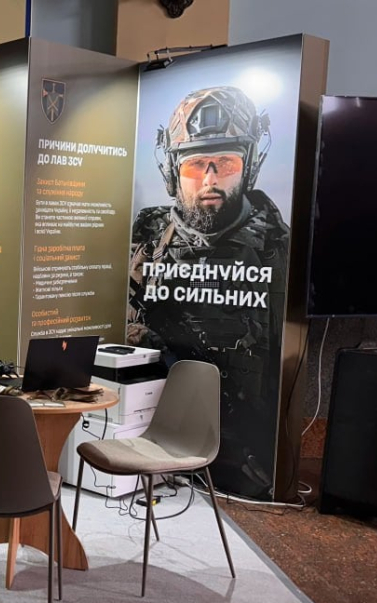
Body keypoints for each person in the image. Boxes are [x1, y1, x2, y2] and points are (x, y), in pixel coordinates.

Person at [126, 86, 288, 499]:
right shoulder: (145, 239)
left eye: (226, 163)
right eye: (196, 164)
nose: (211, 179)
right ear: (172, 171)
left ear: (249, 166)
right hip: (148, 429)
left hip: (245, 462)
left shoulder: (277, 249)